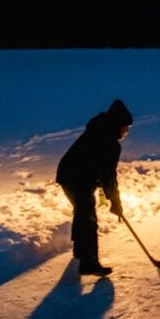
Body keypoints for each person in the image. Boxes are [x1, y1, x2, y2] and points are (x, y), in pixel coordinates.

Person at [56, 99, 132, 276]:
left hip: (69, 174)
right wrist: (116, 202)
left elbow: (97, 168)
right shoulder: (110, 143)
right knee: (87, 215)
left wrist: (110, 197)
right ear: (118, 124)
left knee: (83, 212)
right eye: (126, 127)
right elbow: (108, 177)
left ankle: (81, 253)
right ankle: (88, 262)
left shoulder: (98, 129)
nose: (127, 131)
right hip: (75, 178)